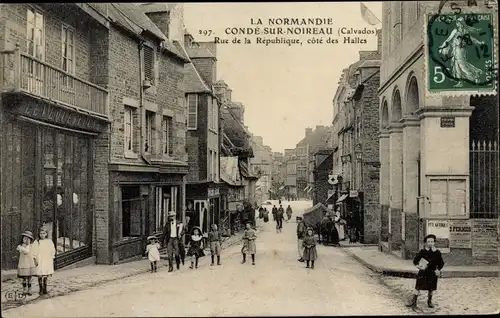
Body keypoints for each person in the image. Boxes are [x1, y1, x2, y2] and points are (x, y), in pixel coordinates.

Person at [406, 234, 445, 309]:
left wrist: (438, 269)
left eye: (432, 241)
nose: (430, 243)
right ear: (426, 243)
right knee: (417, 287)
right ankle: (413, 301)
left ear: (434, 242)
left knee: (431, 288)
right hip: (423, 272)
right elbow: (415, 260)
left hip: (432, 273)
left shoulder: (437, 253)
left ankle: (429, 301)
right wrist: (417, 266)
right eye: (428, 241)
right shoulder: (422, 251)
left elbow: (441, 263)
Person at [32, 227, 56, 295]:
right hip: (39, 259)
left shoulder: (49, 241)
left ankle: (45, 288)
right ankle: (40, 288)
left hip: (46, 259)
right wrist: (35, 259)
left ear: (46, 234)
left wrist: (51, 257)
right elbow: (34, 251)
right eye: (41, 233)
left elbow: (52, 250)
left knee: (45, 273)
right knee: (40, 273)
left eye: (44, 233)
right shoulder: (37, 242)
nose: (42, 235)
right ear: (39, 234)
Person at [17, 230, 36, 296]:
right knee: (24, 278)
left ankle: (29, 290)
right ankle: (24, 290)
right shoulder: (21, 246)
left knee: (29, 278)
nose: (25, 240)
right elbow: (20, 250)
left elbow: (26, 251)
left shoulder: (29, 246)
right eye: (24, 238)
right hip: (23, 263)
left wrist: (21, 248)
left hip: (29, 264)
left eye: (27, 239)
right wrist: (20, 247)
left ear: (30, 240)